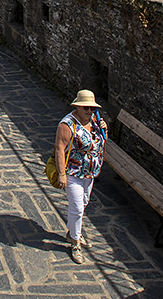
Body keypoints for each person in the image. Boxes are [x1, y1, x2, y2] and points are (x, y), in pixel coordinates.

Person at [53, 89, 108, 263]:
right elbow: (60, 149)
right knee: (76, 207)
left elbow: (99, 142)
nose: (89, 111)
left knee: (83, 203)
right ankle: (75, 242)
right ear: (77, 106)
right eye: (85, 108)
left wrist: (104, 129)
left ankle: (72, 232)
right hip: (73, 173)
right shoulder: (68, 124)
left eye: (92, 108)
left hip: (89, 173)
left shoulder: (95, 121)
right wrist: (61, 174)